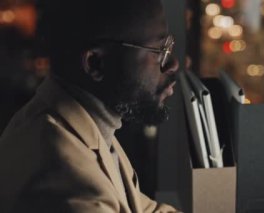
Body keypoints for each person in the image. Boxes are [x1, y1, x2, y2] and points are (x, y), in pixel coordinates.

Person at [0, 0, 180, 212]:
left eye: (168, 46)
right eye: (158, 50)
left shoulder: (86, 126)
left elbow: (143, 209)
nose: (173, 64)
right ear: (95, 63)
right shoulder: (63, 176)